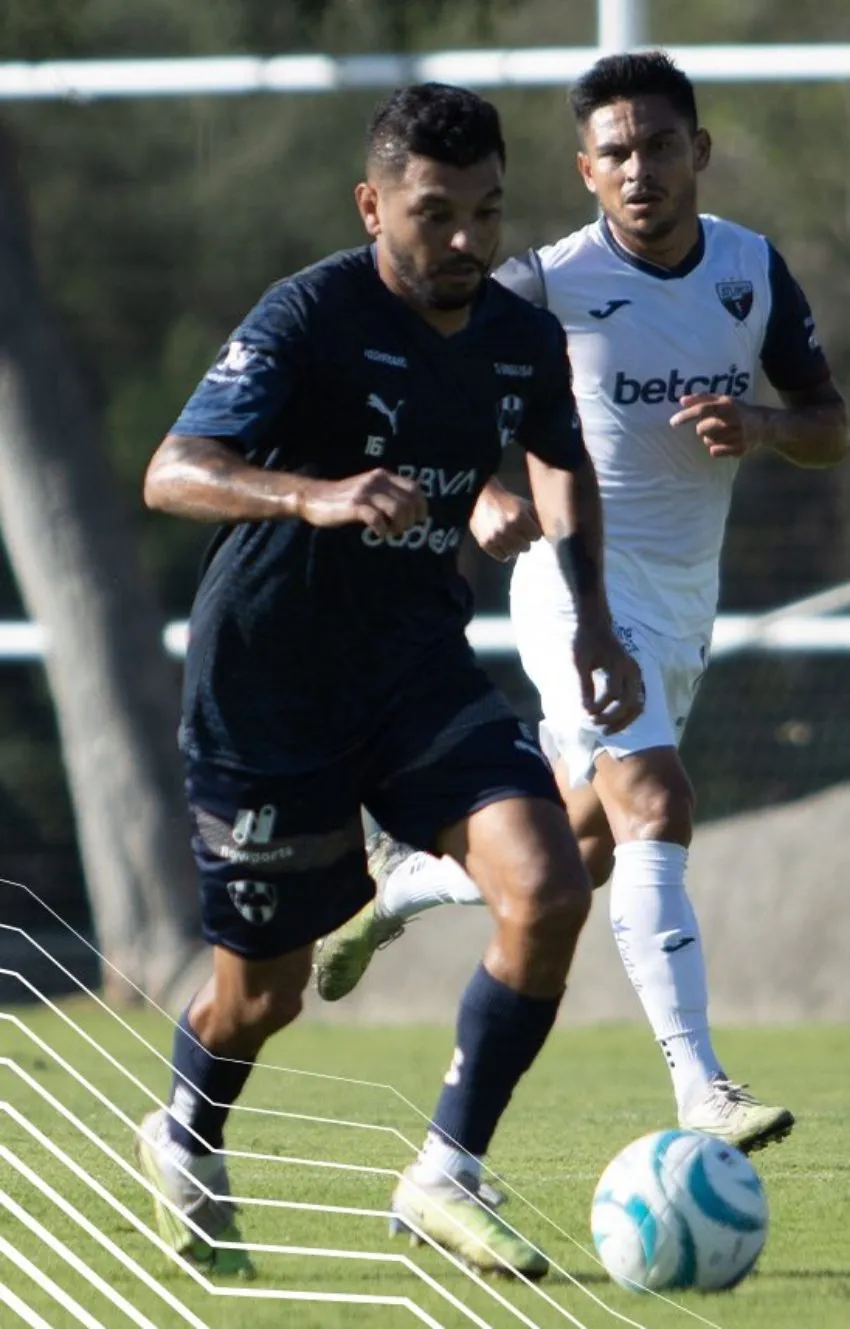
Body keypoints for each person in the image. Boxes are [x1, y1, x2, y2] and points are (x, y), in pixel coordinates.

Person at [134, 82, 643, 1281]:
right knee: (260, 1001)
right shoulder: (309, 313)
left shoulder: (520, 333)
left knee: (549, 881)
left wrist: (597, 628)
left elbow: (563, 466)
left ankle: (444, 1175)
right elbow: (171, 470)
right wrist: (314, 493)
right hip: (267, 693)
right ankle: (188, 1136)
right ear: (373, 205)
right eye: (434, 216)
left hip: (418, 674)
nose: (466, 242)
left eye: (486, 212)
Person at [314, 52, 849, 1155]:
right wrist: (484, 498)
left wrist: (763, 427)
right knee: (657, 802)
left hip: (681, 602)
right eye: (615, 152)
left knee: (587, 850)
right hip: (573, 590)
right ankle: (700, 1086)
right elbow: (432, 398)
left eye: (659, 145)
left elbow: (828, 422)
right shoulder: (541, 285)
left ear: (695, 151)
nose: (639, 168)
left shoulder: (750, 270)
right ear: (585, 170)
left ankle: (409, 882)